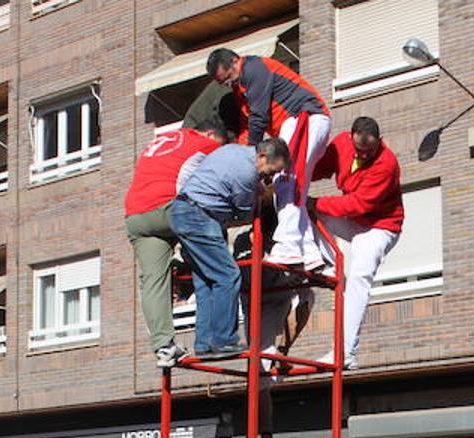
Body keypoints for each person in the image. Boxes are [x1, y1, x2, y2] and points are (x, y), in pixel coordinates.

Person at [207, 48, 331, 269]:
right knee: (290, 183)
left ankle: (289, 247)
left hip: (303, 117)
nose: (228, 84)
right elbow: (248, 125)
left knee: (286, 180)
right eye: (223, 83)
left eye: (228, 78)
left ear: (235, 62)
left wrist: (249, 155)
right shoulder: (240, 87)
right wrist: (241, 155)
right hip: (294, 125)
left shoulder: (255, 68)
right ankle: (310, 251)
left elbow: (259, 117)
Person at [169, 139, 291, 359]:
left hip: (184, 212)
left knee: (206, 281)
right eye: (271, 172)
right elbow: (244, 215)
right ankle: (223, 341)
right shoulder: (247, 174)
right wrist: (264, 194)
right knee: (228, 275)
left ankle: (205, 343)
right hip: (199, 217)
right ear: (262, 157)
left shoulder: (234, 150)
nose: (270, 178)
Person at [124, 125, 226, 368]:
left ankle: (164, 347)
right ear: (210, 134)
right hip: (169, 209)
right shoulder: (208, 145)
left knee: (153, 281)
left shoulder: (161, 141)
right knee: (215, 241)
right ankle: (216, 335)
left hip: (136, 216)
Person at [309, 116, 403, 369]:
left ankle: (346, 353)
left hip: (379, 228)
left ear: (379, 143)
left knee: (359, 277)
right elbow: (319, 168)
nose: (363, 156)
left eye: (369, 152)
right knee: (306, 211)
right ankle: (324, 262)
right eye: (359, 151)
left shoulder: (387, 164)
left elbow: (357, 204)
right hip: (355, 220)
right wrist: (297, 173)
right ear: (350, 138)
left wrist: (316, 202)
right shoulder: (341, 144)